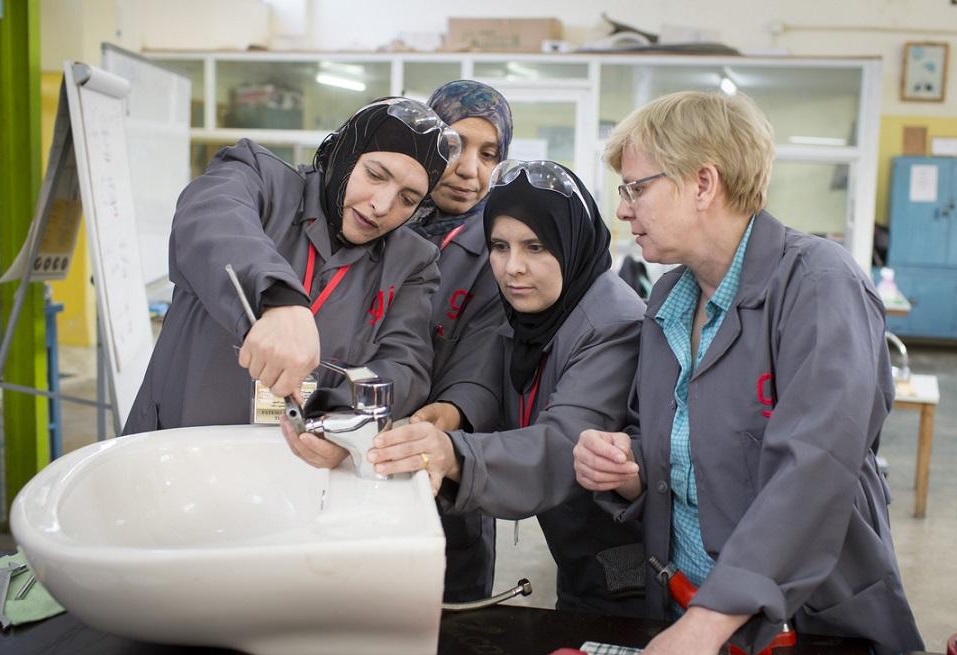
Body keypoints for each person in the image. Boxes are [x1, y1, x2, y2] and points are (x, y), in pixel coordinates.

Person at [572, 91, 923, 655]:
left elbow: (815, 466)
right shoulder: (668, 300)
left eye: (636, 188)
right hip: (685, 611)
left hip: (805, 625)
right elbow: (670, 436)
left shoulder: (817, 283)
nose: (624, 210)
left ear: (703, 184)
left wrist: (707, 623)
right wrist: (630, 468)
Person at [365, 160, 649, 616]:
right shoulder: (532, 310)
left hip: (625, 561)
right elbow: (493, 377)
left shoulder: (614, 324)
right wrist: (453, 411)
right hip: (573, 549)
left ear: (571, 242)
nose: (513, 267)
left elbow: (563, 444)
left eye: (535, 246)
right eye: (499, 246)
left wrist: (452, 453)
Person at [123, 97, 455, 434]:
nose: (382, 205)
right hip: (176, 448)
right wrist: (279, 299)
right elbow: (211, 216)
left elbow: (403, 365)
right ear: (344, 153)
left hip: (297, 464)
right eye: (374, 175)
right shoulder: (260, 178)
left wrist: (337, 417)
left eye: (408, 199)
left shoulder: (411, 263)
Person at [405, 80, 513, 603]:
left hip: (447, 465)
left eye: (488, 154)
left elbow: (493, 355)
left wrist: (447, 415)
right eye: (453, 145)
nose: (470, 169)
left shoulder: (502, 246)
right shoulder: (378, 219)